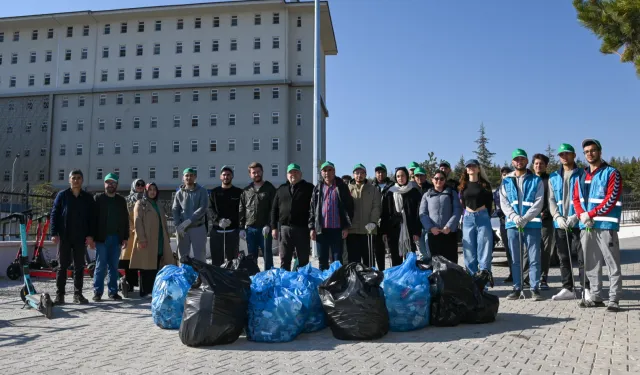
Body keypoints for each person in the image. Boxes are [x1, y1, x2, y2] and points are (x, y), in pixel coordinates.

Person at [573, 139, 622, 311]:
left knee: (611, 262)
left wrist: (591, 214)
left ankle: (614, 299)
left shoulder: (611, 173)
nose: (590, 154)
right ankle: (595, 297)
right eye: (586, 151)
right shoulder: (580, 175)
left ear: (600, 152)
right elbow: (576, 199)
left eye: (593, 150)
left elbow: (611, 199)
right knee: (591, 262)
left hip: (606, 225)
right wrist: (582, 215)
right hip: (586, 226)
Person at [500, 149, 545, 301]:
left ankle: (534, 288)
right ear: (512, 162)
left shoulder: (535, 180)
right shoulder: (506, 180)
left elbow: (539, 202)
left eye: (522, 159)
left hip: (532, 224)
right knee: (515, 259)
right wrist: (514, 216)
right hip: (513, 225)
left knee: (534, 258)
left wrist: (525, 218)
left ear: (526, 161)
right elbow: (504, 203)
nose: (519, 162)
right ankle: (517, 287)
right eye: (516, 159)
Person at [549, 143, 589, 301]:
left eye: (567, 154)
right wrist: (557, 217)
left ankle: (586, 288)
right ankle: (568, 288)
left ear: (574, 155)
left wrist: (576, 216)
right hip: (560, 223)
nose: (564, 157)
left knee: (582, 256)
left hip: (577, 222)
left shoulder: (583, 174)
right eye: (561, 155)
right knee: (563, 257)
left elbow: (586, 197)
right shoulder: (553, 176)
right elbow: (551, 199)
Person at [50, 169, 95, 305]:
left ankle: (78, 295)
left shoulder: (87, 198)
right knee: (62, 266)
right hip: (64, 236)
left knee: (79, 266)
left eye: (78, 178)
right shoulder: (62, 195)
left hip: (80, 238)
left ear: (82, 180)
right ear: (69, 180)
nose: (76, 180)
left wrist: (91, 235)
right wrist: (53, 233)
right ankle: (60, 295)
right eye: (73, 178)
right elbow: (54, 214)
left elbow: (92, 218)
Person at [130, 183, 176, 297]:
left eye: (154, 189)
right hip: (147, 239)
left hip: (159, 239)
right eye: (150, 189)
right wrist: (141, 239)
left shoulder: (158, 204)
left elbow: (163, 223)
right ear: (146, 191)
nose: (152, 192)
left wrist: (167, 238)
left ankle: (153, 289)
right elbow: (137, 222)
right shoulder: (141, 203)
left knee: (156, 264)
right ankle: (145, 291)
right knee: (146, 266)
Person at [309, 161, 354, 270]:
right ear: (321, 173)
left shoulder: (341, 186)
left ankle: (337, 285)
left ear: (334, 171)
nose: (327, 173)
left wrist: (346, 227)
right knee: (322, 260)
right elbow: (312, 209)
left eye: (330, 170)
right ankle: (324, 285)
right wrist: (312, 228)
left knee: (337, 260)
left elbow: (349, 207)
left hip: (337, 230)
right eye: (324, 170)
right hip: (321, 230)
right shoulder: (318, 188)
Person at [93, 173, 130, 301]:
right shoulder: (98, 198)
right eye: (108, 182)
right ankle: (97, 292)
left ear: (117, 185)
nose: (110, 185)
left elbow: (126, 220)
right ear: (104, 184)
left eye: (113, 183)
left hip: (116, 238)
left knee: (114, 266)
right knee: (100, 265)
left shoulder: (121, 200)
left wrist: (125, 237)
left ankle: (113, 292)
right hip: (101, 238)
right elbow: (92, 219)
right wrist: (91, 237)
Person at [271, 163, 314, 270]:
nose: (293, 174)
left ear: (300, 174)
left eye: (296, 172)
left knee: (303, 259)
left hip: (302, 229)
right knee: (285, 259)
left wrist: (312, 227)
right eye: (290, 172)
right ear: (287, 175)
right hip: (285, 229)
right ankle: (285, 282)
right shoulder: (281, 189)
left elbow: (314, 209)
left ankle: (302, 283)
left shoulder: (309, 188)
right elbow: (274, 209)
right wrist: (274, 227)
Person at [380, 167, 423, 267]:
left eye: (402, 175)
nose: (400, 178)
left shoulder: (414, 192)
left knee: (411, 259)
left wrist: (417, 231)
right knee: (396, 259)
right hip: (394, 230)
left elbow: (418, 213)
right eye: (398, 176)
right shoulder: (390, 192)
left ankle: (410, 280)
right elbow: (385, 213)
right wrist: (384, 231)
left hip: (410, 231)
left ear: (407, 176)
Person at [459, 159, 494, 277]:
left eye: (474, 166)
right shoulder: (463, 185)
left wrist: (485, 215)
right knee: (469, 251)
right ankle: (471, 282)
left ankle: (483, 282)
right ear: (466, 170)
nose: (471, 168)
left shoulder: (485, 185)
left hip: (482, 217)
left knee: (484, 250)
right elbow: (463, 203)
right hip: (468, 218)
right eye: (469, 166)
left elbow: (490, 203)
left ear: (478, 169)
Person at [239, 162, 277, 270]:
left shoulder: (270, 188)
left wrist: (270, 225)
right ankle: (254, 278)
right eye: (253, 172)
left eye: (258, 172)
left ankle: (269, 277)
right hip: (250, 229)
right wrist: (241, 228)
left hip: (265, 229)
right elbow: (242, 209)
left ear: (262, 172)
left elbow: (273, 209)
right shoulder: (246, 191)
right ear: (250, 174)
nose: (256, 174)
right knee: (251, 256)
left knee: (267, 255)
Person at [420, 170, 462, 263]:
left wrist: (449, 226)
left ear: (445, 180)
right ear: (432, 180)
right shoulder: (426, 195)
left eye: (441, 179)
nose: (439, 181)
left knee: (451, 262)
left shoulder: (452, 193)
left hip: (449, 233)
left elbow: (457, 210)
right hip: (433, 234)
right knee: (436, 262)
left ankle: (452, 278)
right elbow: (423, 213)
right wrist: (430, 228)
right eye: (436, 178)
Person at [346, 164, 381, 267]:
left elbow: (377, 206)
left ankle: (369, 281)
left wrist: (373, 221)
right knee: (353, 261)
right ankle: (355, 281)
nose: (359, 175)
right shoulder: (347, 189)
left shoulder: (373, 189)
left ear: (365, 174)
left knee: (369, 259)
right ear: (353, 174)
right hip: (352, 230)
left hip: (368, 230)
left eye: (362, 173)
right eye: (357, 173)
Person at [528, 154, 554, 290]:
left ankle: (543, 278)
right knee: (530, 250)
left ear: (546, 166)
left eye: (541, 164)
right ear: (533, 165)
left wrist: (547, 213)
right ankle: (529, 278)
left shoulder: (549, 180)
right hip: (530, 221)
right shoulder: (528, 179)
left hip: (546, 221)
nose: (539, 166)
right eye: (536, 163)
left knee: (545, 250)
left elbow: (553, 199)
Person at [172, 168, 209, 263]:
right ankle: (184, 276)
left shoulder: (202, 191)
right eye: (186, 175)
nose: (189, 177)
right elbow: (175, 210)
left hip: (198, 227)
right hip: (183, 230)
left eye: (191, 175)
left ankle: (201, 277)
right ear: (183, 178)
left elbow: (203, 208)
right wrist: (177, 226)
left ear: (195, 177)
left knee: (200, 256)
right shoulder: (179, 193)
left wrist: (189, 220)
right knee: (183, 256)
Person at [208, 165, 243, 266]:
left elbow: (240, 210)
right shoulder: (214, 192)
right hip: (216, 231)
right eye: (224, 175)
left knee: (232, 260)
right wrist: (218, 220)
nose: (226, 177)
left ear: (232, 177)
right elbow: (210, 209)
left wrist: (231, 220)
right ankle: (217, 280)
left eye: (228, 175)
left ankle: (231, 280)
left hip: (232, 231)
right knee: (216, 259)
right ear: (220, 177)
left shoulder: (238, 192)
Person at [121, 178, 145, 294]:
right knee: (129, 260)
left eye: (142, 185)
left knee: (143, 260)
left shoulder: (147, 200)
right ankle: (130, 284)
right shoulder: (127, 200)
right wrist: (133, 228)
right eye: (138, 185)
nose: (140, 187)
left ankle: (143, 285)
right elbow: (124, 215)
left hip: (144, 233)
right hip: (131, 234)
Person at [370, 163, 394, 270]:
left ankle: (393, 272)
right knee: (378, 250)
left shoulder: (393, 186)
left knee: (392, 250)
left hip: (389, 221)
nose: (380, 174)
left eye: (382, 172)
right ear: (375, 174)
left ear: (385, 172)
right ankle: (380, 271)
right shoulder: (371, 186)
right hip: (376, 222)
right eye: (378, 172)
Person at [494, 166, 513, 282]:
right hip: (504, 223)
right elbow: (497, 208)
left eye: (507, 173)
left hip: (516, 222)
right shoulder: (497, 191)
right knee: (509, 251)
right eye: (503, 174)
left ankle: (523, 275)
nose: (505, 176)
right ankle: (512, 273)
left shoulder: (516, 188)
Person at [413, 166, 433, 260]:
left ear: (425, 176)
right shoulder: (412, 189)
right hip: (416, 223)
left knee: (430, 250)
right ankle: (424, 270)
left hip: (429, 222)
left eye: (421, 175)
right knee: (421, 251)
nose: (419, 178)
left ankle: (431, 269)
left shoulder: (431, 188)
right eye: (417, 176)